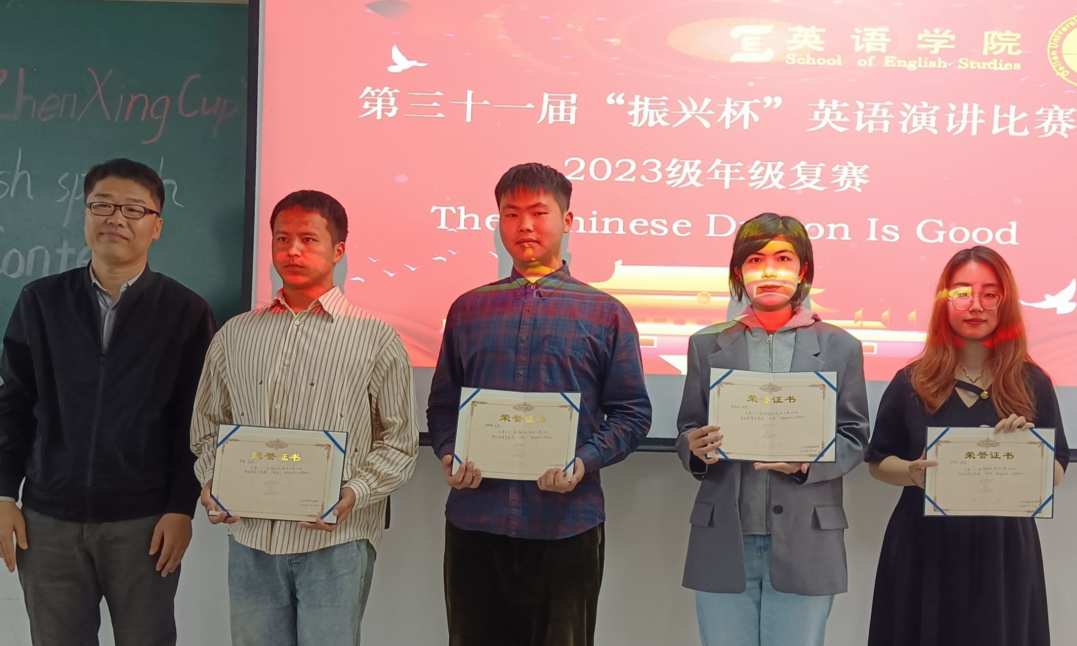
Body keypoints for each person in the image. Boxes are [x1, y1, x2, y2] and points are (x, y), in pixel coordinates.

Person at [427, 162, 652, 646]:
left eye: (538, 212)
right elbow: (443, 406)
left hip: (566, 524)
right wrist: (448, 452)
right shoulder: (468, 309)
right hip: (476, 521)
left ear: (567, 221)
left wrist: (582, 461)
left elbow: (633, 413)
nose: (524, 225)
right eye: (511, 214)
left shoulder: (606, 313)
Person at [0, 158, 216, 646]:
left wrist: (181, 508)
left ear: (156, 225)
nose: (116, 218)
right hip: (47, 521)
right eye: (102, 205)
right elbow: (13, 403)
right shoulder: (41, 301)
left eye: (134, 209)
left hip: (143, 522)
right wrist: (4, 493)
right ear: (85, 214)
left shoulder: (185, 311)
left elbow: (194, 419)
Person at [190, 189, 418, 646]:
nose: (292, 250)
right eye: (282, 238)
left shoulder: (375, 339)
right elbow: (207, 426)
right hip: (251, 538)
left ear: (338, 250)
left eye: (309, 240)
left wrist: (353, 494)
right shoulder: (235, 335)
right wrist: (213, 479)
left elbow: (399, 442)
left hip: (337, 542)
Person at [675, 213, 869, 646]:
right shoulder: (706, 344)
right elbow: (687, 427)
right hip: (725, 534)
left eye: (783, 259)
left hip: (807, 535)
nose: (768, 271)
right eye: (755, 260)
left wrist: (808, 463)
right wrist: (694, 446)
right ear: (738, 272)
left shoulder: (840, 346)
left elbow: (855, 435)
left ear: (803, 271)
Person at [865, 245, 1068, 646]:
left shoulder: (1032, 382)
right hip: (924, 544)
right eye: (961, 293)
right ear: (944, 302)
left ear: (1005, 303)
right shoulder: (911, 380)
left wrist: (1028, 451)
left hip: (1004, 548)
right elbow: (878, 460)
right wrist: (911, 472)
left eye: (990, 294)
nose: (975, 305)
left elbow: (1057, 470)